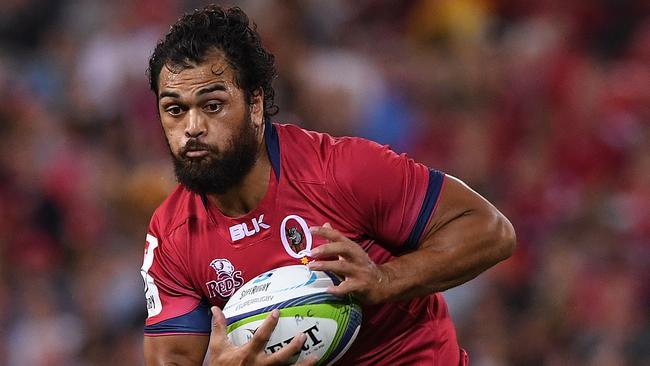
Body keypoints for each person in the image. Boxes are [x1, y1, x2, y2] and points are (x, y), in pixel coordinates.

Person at [141, 4, 516, 366]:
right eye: (175, 109)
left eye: (212, 105)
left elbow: (491, 230)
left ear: (255, 104)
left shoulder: (342, 171)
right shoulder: (172, 234)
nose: (191, 128)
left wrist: (387, 279)